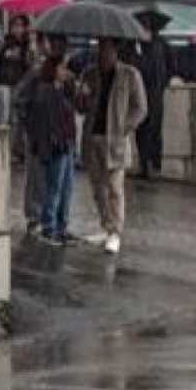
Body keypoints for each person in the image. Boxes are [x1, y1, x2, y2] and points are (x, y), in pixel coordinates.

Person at [77, 38, 148, 255]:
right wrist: (83, 95)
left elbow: (140, 108)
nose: (103, 54)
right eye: (100, 49)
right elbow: (80, 107)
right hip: (93, 136)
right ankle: (106, 225)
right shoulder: (90, 74)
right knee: (98, 187)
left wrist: (125, 127)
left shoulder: (130, 75)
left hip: (116, 139)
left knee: (115, 187)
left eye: (107, 49)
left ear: (115, 51)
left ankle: (115, 231)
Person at [15, 34, 71, 234]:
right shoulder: (37, 75)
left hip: (60, 137)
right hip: (40, 136)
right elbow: (20, 99)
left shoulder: (65, 81)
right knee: (39, 178)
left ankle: (55, 221)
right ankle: (36, 217)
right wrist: (30, 125)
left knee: (59, 183)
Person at [25, 54, 80, 245]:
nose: (65, 71)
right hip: (57, 146)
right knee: (54, 187)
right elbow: (46, 121)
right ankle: (49, 226)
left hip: (67, 144)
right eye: (61, 67)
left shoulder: (63, 90)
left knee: (66, 188)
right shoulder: (45, 92)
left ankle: (61, 226)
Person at [134, 9, 175, 180]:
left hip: (155, 92)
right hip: (140, 91)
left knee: (154, 130)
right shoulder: (135, 45)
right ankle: (144, 164)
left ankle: (154, 164)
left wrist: (164, 82)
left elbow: (171, 65)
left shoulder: (161, 44)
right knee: (141, 129)